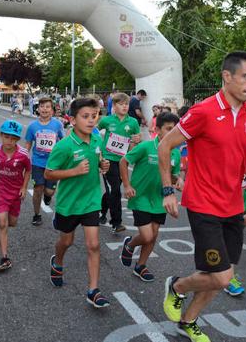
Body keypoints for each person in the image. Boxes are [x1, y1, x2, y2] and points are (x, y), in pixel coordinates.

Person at [158, 51, 246, 341]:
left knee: (224, 276)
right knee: (221, 276)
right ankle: (177, 286)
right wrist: (168, 189)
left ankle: (188, 321)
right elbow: (165, 146)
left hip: (233, 203)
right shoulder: (203, 112)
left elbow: (245, 151)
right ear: (227, 77)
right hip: (203, 203)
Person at [44, 98, 112, 308]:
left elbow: (100, 161)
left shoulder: (97, 140)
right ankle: (58, 262)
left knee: (94, 245)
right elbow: (49, 173)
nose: (91, 121)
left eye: (94, 116)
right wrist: (73, 171)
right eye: (85, 117)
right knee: (67, 241)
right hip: (69, 203)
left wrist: (104, 165)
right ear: (72, 120)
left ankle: (93, 290)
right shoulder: (64, 146)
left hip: (91, 199)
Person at [119, 112, 183, 282]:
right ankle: (130, 245)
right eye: (169, 129)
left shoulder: (175, 153)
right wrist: (127, 185)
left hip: (160, 199)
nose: (172, 132)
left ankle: (141, 266)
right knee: (146, 236)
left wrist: (179, 181)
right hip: (140, 197)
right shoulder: (146, 147)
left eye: (175, 129)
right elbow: (123, 161)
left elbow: (174, 175)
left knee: (153, 234)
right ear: (157, 130)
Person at [0, 120, 31, 272]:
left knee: (12, 222)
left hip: (15, 193)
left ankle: (6, 226)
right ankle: (5, 257)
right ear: (1, 136)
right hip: (0, 192)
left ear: (17, 139)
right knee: (2, 223)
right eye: (6, 137)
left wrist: (24, 187)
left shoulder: (23, 155)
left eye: (13, 138)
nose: (9, 141)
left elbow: (28, 171)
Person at [98, 92, 141, 232]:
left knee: (112, 189)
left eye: (126, 104)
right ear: (114, 107)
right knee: (115, 189)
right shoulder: (107, 120)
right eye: (121, 104)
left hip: (123, 161)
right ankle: (117, 223)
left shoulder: (133, 122)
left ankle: (102, 211)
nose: (124, 107)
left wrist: (137, 140)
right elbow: (93, 131)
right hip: (108, 159)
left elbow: (137, 137)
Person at [25, 97, 65, 226]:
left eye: (47, 107)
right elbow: (28, 144)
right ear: (38, 109)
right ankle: (37, 215)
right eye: (42, 106)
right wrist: (24, 159)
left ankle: (48, 197)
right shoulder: (32, 126)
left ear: (52, 110)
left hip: (53, 163)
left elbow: (63, 141)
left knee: (49, 191)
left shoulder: (57, 124)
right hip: (37, 162)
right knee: (38, 189)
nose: (44, 109)